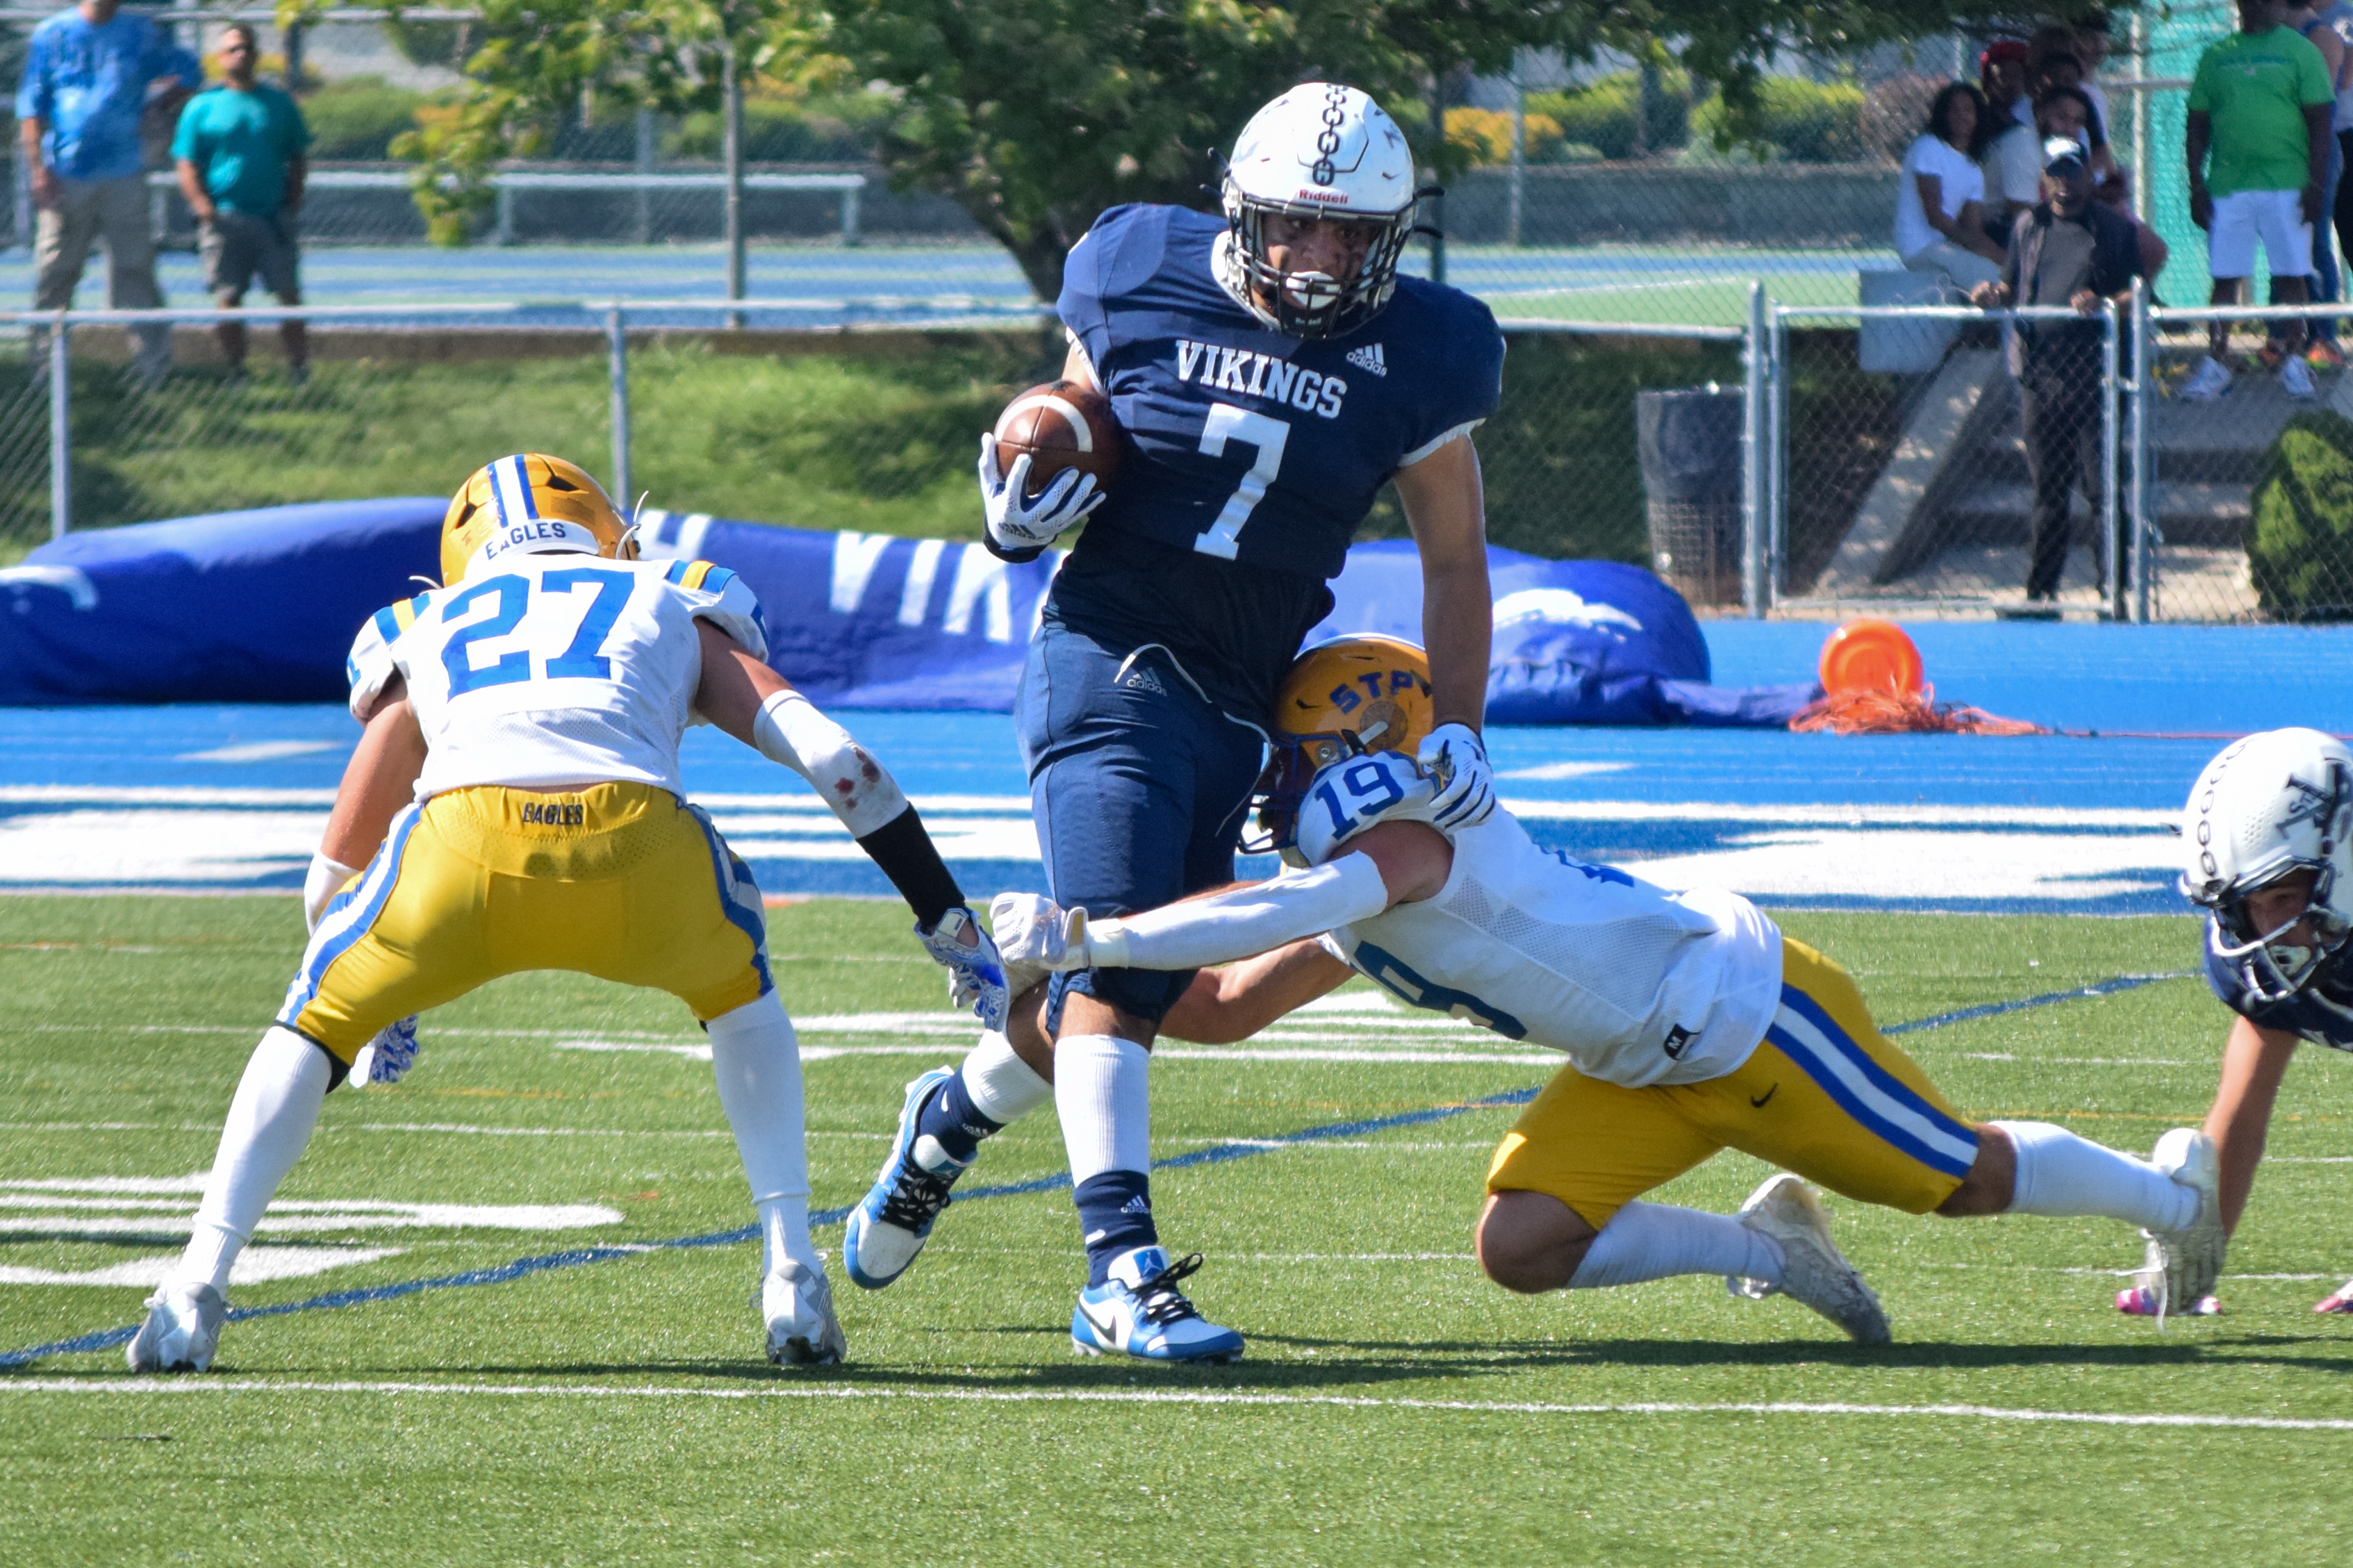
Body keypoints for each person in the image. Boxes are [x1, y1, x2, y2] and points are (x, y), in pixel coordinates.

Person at [984, 636, 2231, 1339]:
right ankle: (1767, 1242)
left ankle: (2175, 1202)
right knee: (1522, 1245)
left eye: (1304, 753)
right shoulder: (1371, 883)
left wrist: (1094, 923)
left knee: (1967, 1180)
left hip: (1748, 1017)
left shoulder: (1409, 844)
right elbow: (1220, 1005)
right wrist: (1042, 997)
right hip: (1641, 1061)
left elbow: (1283, 906)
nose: (1278, 779)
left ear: (1368, 754)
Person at [836, 82, 1505, 1365]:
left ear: (1390, 238)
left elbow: (1458, 561)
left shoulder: (1427, 348)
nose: (1317, 258)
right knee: (1121, 966)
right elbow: (1071, 417)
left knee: (1184, 995)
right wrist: (1020, 500)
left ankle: (950, 1118)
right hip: (1109, 657)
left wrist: (1460, 724)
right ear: (1239, 216)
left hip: (1244, 693)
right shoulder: (1137, 265)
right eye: (1293, 229)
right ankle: (1117, 1271)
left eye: (1347, 236)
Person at [124, 452, 1012, 1375]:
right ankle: (789, 1267)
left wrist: (379, 998)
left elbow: (331, 872)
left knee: (311, 1021)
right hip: (642, 858)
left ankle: (194, 1284)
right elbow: (842, 765)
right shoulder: (664, 595)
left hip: (455, 861)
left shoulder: (427, 623)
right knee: (740, 996)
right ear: (606, 527)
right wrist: (945, 922)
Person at [2117, 727, 2353, 1319]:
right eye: (2242, 906)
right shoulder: (2272, 948)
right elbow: (2242, 1106)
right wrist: (2194, 1257)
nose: (2259, 929)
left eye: (2278, 896)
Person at [1969, 136, 2148, 611]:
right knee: (2048, 493)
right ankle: (2040, 593)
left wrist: (2103, 302)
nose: (2064, 182)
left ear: (2087, 172)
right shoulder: (2030, 225)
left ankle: (2114, 590)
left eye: (2072, 170)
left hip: (2098, 383)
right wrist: (1992, 293)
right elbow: (2011, 285)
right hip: (2039, 379)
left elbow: (2137, 294)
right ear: (2044, 178)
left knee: (2101, 491)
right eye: (2055, 172)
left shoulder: (2112, 228)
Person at [14, 0, 204, 388]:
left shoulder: (140, 33)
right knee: (57, 271)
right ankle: (44, 372)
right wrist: (38, 169)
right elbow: (32, 106)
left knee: (135, 269)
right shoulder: (52, 35)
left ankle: (153, 369)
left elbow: (189, 71)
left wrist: (160, 108)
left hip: (124, 172)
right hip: (67, 174)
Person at [2182, 0, 2335, 401]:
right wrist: (2196, 184)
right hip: (2229, 186)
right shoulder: (2216, 56)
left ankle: (2295, 360)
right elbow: (2197, 122)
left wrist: (2316, 186)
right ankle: (2217, 363)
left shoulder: (2301, 51)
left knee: (2291, 274)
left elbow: (2321, 121)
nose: (2260, 5)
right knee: (2225, 277)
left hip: (2287, 182)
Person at [172, 23, 309, 384]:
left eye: (246, 48)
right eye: (233, 49)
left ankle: (298, 370)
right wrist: (202, 205)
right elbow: (186, 162)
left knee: (288, 295)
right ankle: (236, 371)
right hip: (224, 219)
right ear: (220, 57)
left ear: (256, 54)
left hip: (271, 218)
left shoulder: (278, 104)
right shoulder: (202, 107)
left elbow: (297, 156)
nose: (240, 55)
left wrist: (291, 202)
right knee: (228, 298)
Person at [2039, 85, 2169, 277]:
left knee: (2155, 250)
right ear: (2042, 116)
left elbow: (2103, 177)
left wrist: (2108, 190)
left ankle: (2134, 298)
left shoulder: (2082, 145)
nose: (2069, 127)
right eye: (2061, 118)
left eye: (2077, 121)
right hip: (2061, 221)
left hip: (2094, 214)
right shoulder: (2031, 148)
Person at [1895, 82, 2006, 291]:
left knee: (2004, 272)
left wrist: (2005, 259)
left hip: (1949, 247)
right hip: (1919, 248)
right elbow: (1935, 216)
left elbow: (1974, 231)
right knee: (1988, 275)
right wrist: (1974, 246)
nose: (1961, 116)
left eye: (1968, 110)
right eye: (1953, 110)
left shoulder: (1973, 170)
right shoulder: (1928, 147)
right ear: (1942, 115)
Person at [1979, 42, 2045, 242]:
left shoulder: (2033, 118)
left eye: (2018, 74)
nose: (2011, 83)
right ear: (1987, 82)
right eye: (2003, 75)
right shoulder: (1979, 122)